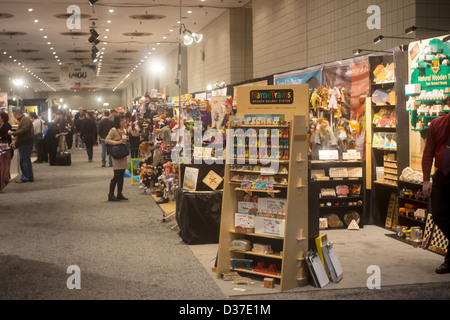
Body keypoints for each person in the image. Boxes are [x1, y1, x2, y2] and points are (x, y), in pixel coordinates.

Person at [422, 98, 450, 274]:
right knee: (438, 215)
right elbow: (428, 153)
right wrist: (426, 180)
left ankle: (449, 261)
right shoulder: (437, 124)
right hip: (442, 175)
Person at [105, 115, 129, 201]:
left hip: (123, 154)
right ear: (118, 122)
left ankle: (119, 193)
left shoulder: (125, 130)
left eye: (124, 120)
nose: (124, 121)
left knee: (122, 174)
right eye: (122, 120)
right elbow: (107, 140)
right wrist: (117, 142)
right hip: (116, 154)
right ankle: (110, 194)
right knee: (116, 175)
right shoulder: (113, 130)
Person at [8, 108, 34, 183]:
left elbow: (23, 131)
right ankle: (29, 177)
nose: (14, 117)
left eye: (14, 116)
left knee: (24, 161)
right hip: (25, 143)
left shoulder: (25, 120)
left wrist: (13, 133)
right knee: (27, 160)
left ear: (18, 114)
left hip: (25, 143)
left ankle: (25, 177)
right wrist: (16, 143)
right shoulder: (24, 120)